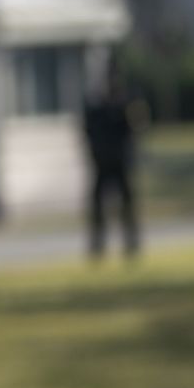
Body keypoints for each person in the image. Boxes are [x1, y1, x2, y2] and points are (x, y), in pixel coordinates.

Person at [83, 60, 144, 260]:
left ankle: (131, 244)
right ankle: (98, 246)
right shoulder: (97, 107)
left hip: (122, 162)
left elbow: (137, 129)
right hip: (102, 162)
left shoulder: (127, 105)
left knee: (127, 206)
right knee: (97, 207)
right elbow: (88, 132)